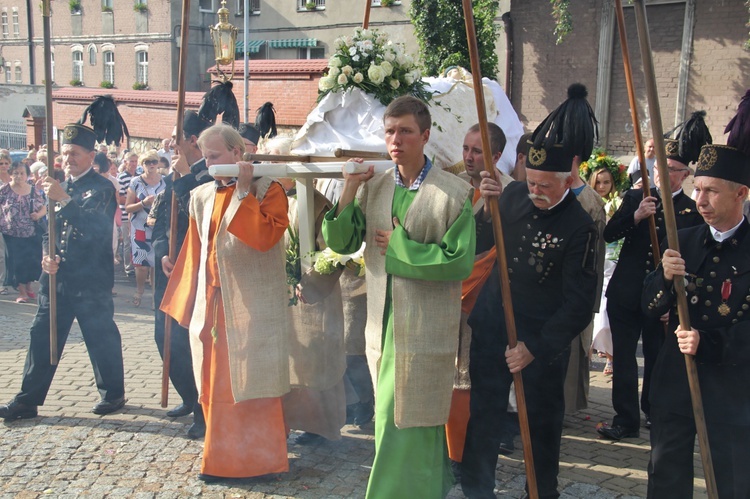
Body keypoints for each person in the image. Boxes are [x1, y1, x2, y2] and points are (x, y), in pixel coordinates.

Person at [323, 95, 476, 498]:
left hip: (427, 327)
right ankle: (432, 486)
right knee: (391, 415)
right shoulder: (374, 186)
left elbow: (458, 263)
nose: (396, 139)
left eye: (405, 131)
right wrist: (348, 190)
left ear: (425, 136)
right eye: (390, 131)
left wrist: (399, 247)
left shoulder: (454, 193)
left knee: (411, 415)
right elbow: (340, 241)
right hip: (382, 323)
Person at [461, 83, 599, 499]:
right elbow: (485, 243)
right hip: (492, 326)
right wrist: (486, 208)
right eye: (532, 182)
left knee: (541, 424)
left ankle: (540, 491)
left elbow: (579, 305)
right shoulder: (514, 194)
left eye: (545, 186)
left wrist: (534, 347)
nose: (534, 192)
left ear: (567, 180)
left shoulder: (580, 228)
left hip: (541, 340)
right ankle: (476, 488)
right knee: (483, 415)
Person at [160, 124, 291, 482]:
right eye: (205, 156)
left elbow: (263, 237)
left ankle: (261, 461)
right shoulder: (201, 195)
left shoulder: (269, 188)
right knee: (215, 386)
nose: (209, 163)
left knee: (253, 383)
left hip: (254, 307)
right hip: (214, 307)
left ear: (237, 153)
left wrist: (243, 192)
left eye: (215, 156)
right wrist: (184, 297)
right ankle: (221, 459)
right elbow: (195, 251)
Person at [641, 96, 750, 497]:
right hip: (675, 384)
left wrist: (709, 342)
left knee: (732, 481)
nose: (700, 201)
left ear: (741, 193)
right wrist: (665, 281)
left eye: (712, 192)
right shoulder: (683, 239)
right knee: (665, 475)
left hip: (730, 389)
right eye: (698, 189)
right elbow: (648, 307)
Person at [0, 122, 126, 421]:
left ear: (91, 155)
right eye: (66, 153)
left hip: (90, 278)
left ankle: (114, 393)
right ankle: (27, 400)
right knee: (41, 335)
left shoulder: (103, 187)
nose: (69, 159)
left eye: (76, 154)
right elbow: (49, 230)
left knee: (99, 336)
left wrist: (64, 199)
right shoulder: (61, 186)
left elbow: (94, 228)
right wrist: (47, 254)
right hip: (56, 278)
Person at [598, 112, 709, 441]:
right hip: (626, 291)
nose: (661, 173)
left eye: (669, 169)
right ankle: (625, 417)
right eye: (658, 167)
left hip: (661, 297)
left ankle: (652, 411)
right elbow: (608, 233)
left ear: (684, 174)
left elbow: (693, 260)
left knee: (658, 359)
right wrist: (635, 215)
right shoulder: (636, 196)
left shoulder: (690, 209)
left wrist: (672, 300)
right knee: (624, 358)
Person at [448, 122, 512, 465]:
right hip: (449, 296)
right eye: (466, 149)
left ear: (496, 156)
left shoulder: (511, 191)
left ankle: (470, 454)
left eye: (477, 151)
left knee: (475, 378)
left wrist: (493, 205)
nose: (469, 157)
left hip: (486, 303)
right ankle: (450, 451)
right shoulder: (453, 186)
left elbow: (501, 245)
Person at [150, 110, 213, 437]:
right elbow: (160, 220)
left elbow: (204, 216)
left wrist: (188, 176)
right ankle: (190, 397)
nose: (170, 144)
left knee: (192, 343)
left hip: (198, 274)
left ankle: (204, 412)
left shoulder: (211, 175)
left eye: (176, 138)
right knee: (165, 339)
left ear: (192, 140)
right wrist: (161, 251)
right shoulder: (175, 175)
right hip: (169, 272)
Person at [0, 162, 46, 303]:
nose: (18, 176)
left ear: (27, 175)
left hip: (30, 231)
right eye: (15, 173)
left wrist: (37, 215)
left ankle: (28, 286)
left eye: (22, 173)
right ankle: (21, 292)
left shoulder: (33, 190)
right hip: (11, 233)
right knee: (16, 262)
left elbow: (44, 207)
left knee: (30, 260)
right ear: (11, 174)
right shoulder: (4, 190)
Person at [124, 151, 165, 308]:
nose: (151, 165)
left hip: (157, 227)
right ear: (142, 165)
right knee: (141, 265)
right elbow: (128, 207)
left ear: (158, 163)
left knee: (156, 263)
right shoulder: (136, 182)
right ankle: (139, 291)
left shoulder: (164, 182)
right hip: (139, 226)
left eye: (154, 161)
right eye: (147, 162)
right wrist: (143, 203)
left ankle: (155, 296)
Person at [589, 167, 619, 375]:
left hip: (610, 258)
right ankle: (591, 351)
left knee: (605, 310)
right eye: (598, 182)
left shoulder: (616, 205)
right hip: (593, 258)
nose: (602, 187)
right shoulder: (590, 202)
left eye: (606, 182)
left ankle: (610, 356)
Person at [118, 152, 139, 276]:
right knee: (127, 241)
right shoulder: (122, 178)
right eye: (131, 161)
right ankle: (128, 267)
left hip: (138, 213)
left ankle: (138, 264)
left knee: (137, 240)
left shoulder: (139, 176)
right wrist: (132, 200)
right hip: (125, 214)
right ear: (125, 162)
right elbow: (120, 197)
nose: (134, 164)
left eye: (135, 161)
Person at [0, 151, 11, 295]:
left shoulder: (14, 178)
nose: (3, 166)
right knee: (1, 254)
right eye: (1, 163)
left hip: (12, 222)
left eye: (6, 163)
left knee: (8, 254)